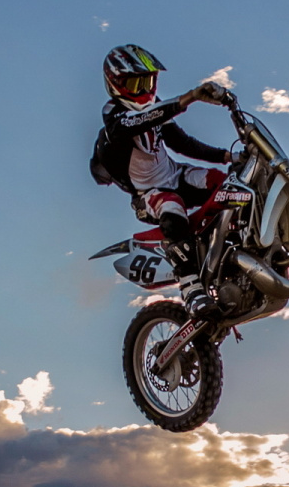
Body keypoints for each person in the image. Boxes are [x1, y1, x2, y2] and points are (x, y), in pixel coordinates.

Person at [95, 44, 237, 318]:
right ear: (115, 85)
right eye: (135, 83)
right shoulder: (114, 117)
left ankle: (238, 247)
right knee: (171, 208)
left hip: (176, 175)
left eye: (147, 81)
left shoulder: (155, 108)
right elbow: (142, 120)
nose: (143, 90)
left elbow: (183, 143)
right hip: (148, 193)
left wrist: (227, 155)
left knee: (229, 183)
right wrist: (189, 98)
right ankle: (191, 288)